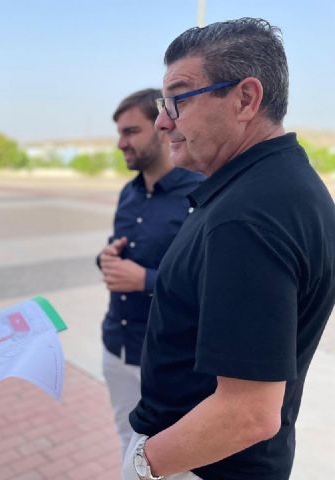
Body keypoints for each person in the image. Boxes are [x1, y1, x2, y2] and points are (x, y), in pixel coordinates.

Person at [124, 18, 335, 480]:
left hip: (202, 467)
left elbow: (248, 413)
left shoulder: (249, 214)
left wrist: (144, 465)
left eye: (178, 99)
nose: (163, 120)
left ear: (245, 99)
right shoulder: (278, 183)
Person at [97, 88, 204, 459]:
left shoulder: (200, 195)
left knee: (163, 458)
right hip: (116, 347)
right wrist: (107, 259)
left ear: (161, 128)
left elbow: (208, 283)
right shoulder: (128, 194)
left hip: (168, 360)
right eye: (119, 133)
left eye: (130, 132)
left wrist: (143, 280)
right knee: (126, 444)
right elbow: (122, 251)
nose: (120, 143)